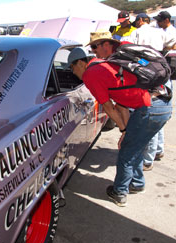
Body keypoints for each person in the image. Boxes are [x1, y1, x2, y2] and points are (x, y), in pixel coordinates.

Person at [66, 41, 173, 207]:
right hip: (162, 105)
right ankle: (137, 184)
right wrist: (125, 131)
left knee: (126, 152)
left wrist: (123, 129)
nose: (73, 73)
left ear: (80, 62)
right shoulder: (105, 64)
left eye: (72, 68)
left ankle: (119, 192)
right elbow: (120, 105)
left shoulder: (90, 74)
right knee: (134, 146)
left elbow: (108, 108)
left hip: (149, 109)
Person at [133, 13, 175, 171]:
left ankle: (147, 160)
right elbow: (171, 44)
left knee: (149, 116)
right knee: (159, 116)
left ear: (141, 21)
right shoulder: (160, 32)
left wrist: (143, 63)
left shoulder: (137, 33)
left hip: (147, 75)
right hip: (162, 71)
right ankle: (158, 151)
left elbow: (135, 57)